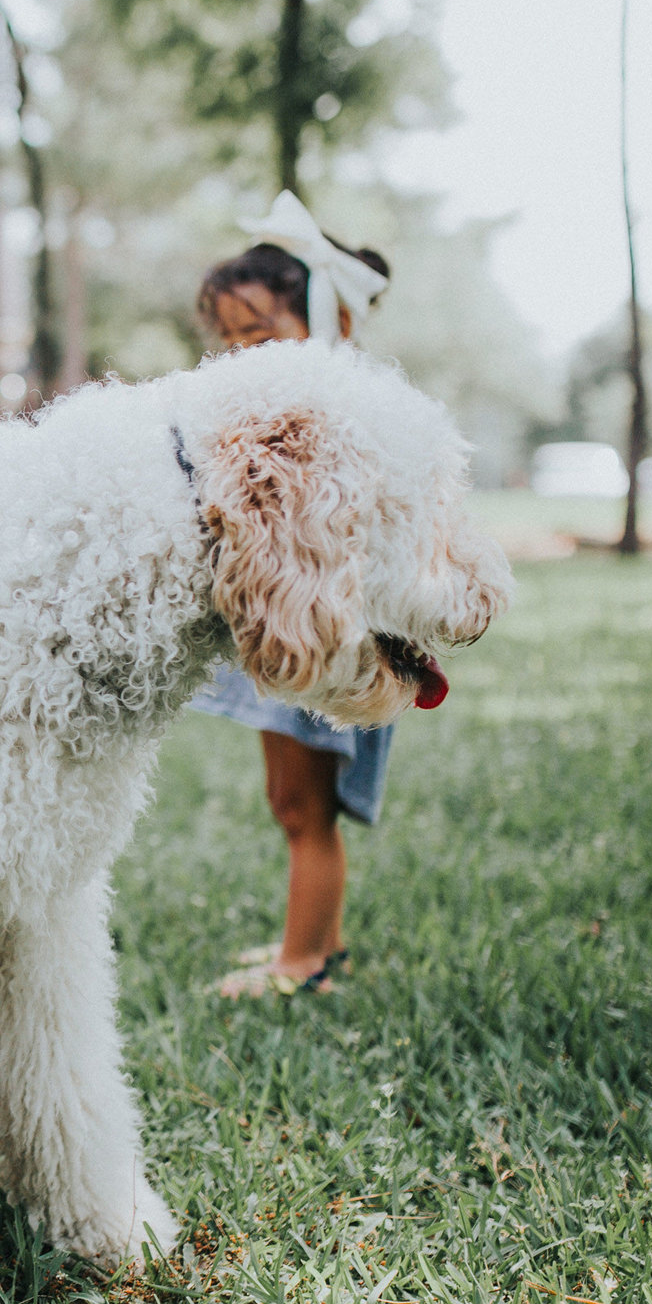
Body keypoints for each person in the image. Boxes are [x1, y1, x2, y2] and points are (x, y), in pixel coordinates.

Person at [192, 193, 395, 999]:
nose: (244, 353)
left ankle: (302, 963)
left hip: (321, 630)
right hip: (283, 623)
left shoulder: (340, 412)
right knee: (290, 800)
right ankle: (318, 941)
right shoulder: (276, 410)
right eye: (231, 339)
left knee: (306, 806)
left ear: (327, 321)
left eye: (262, 333)